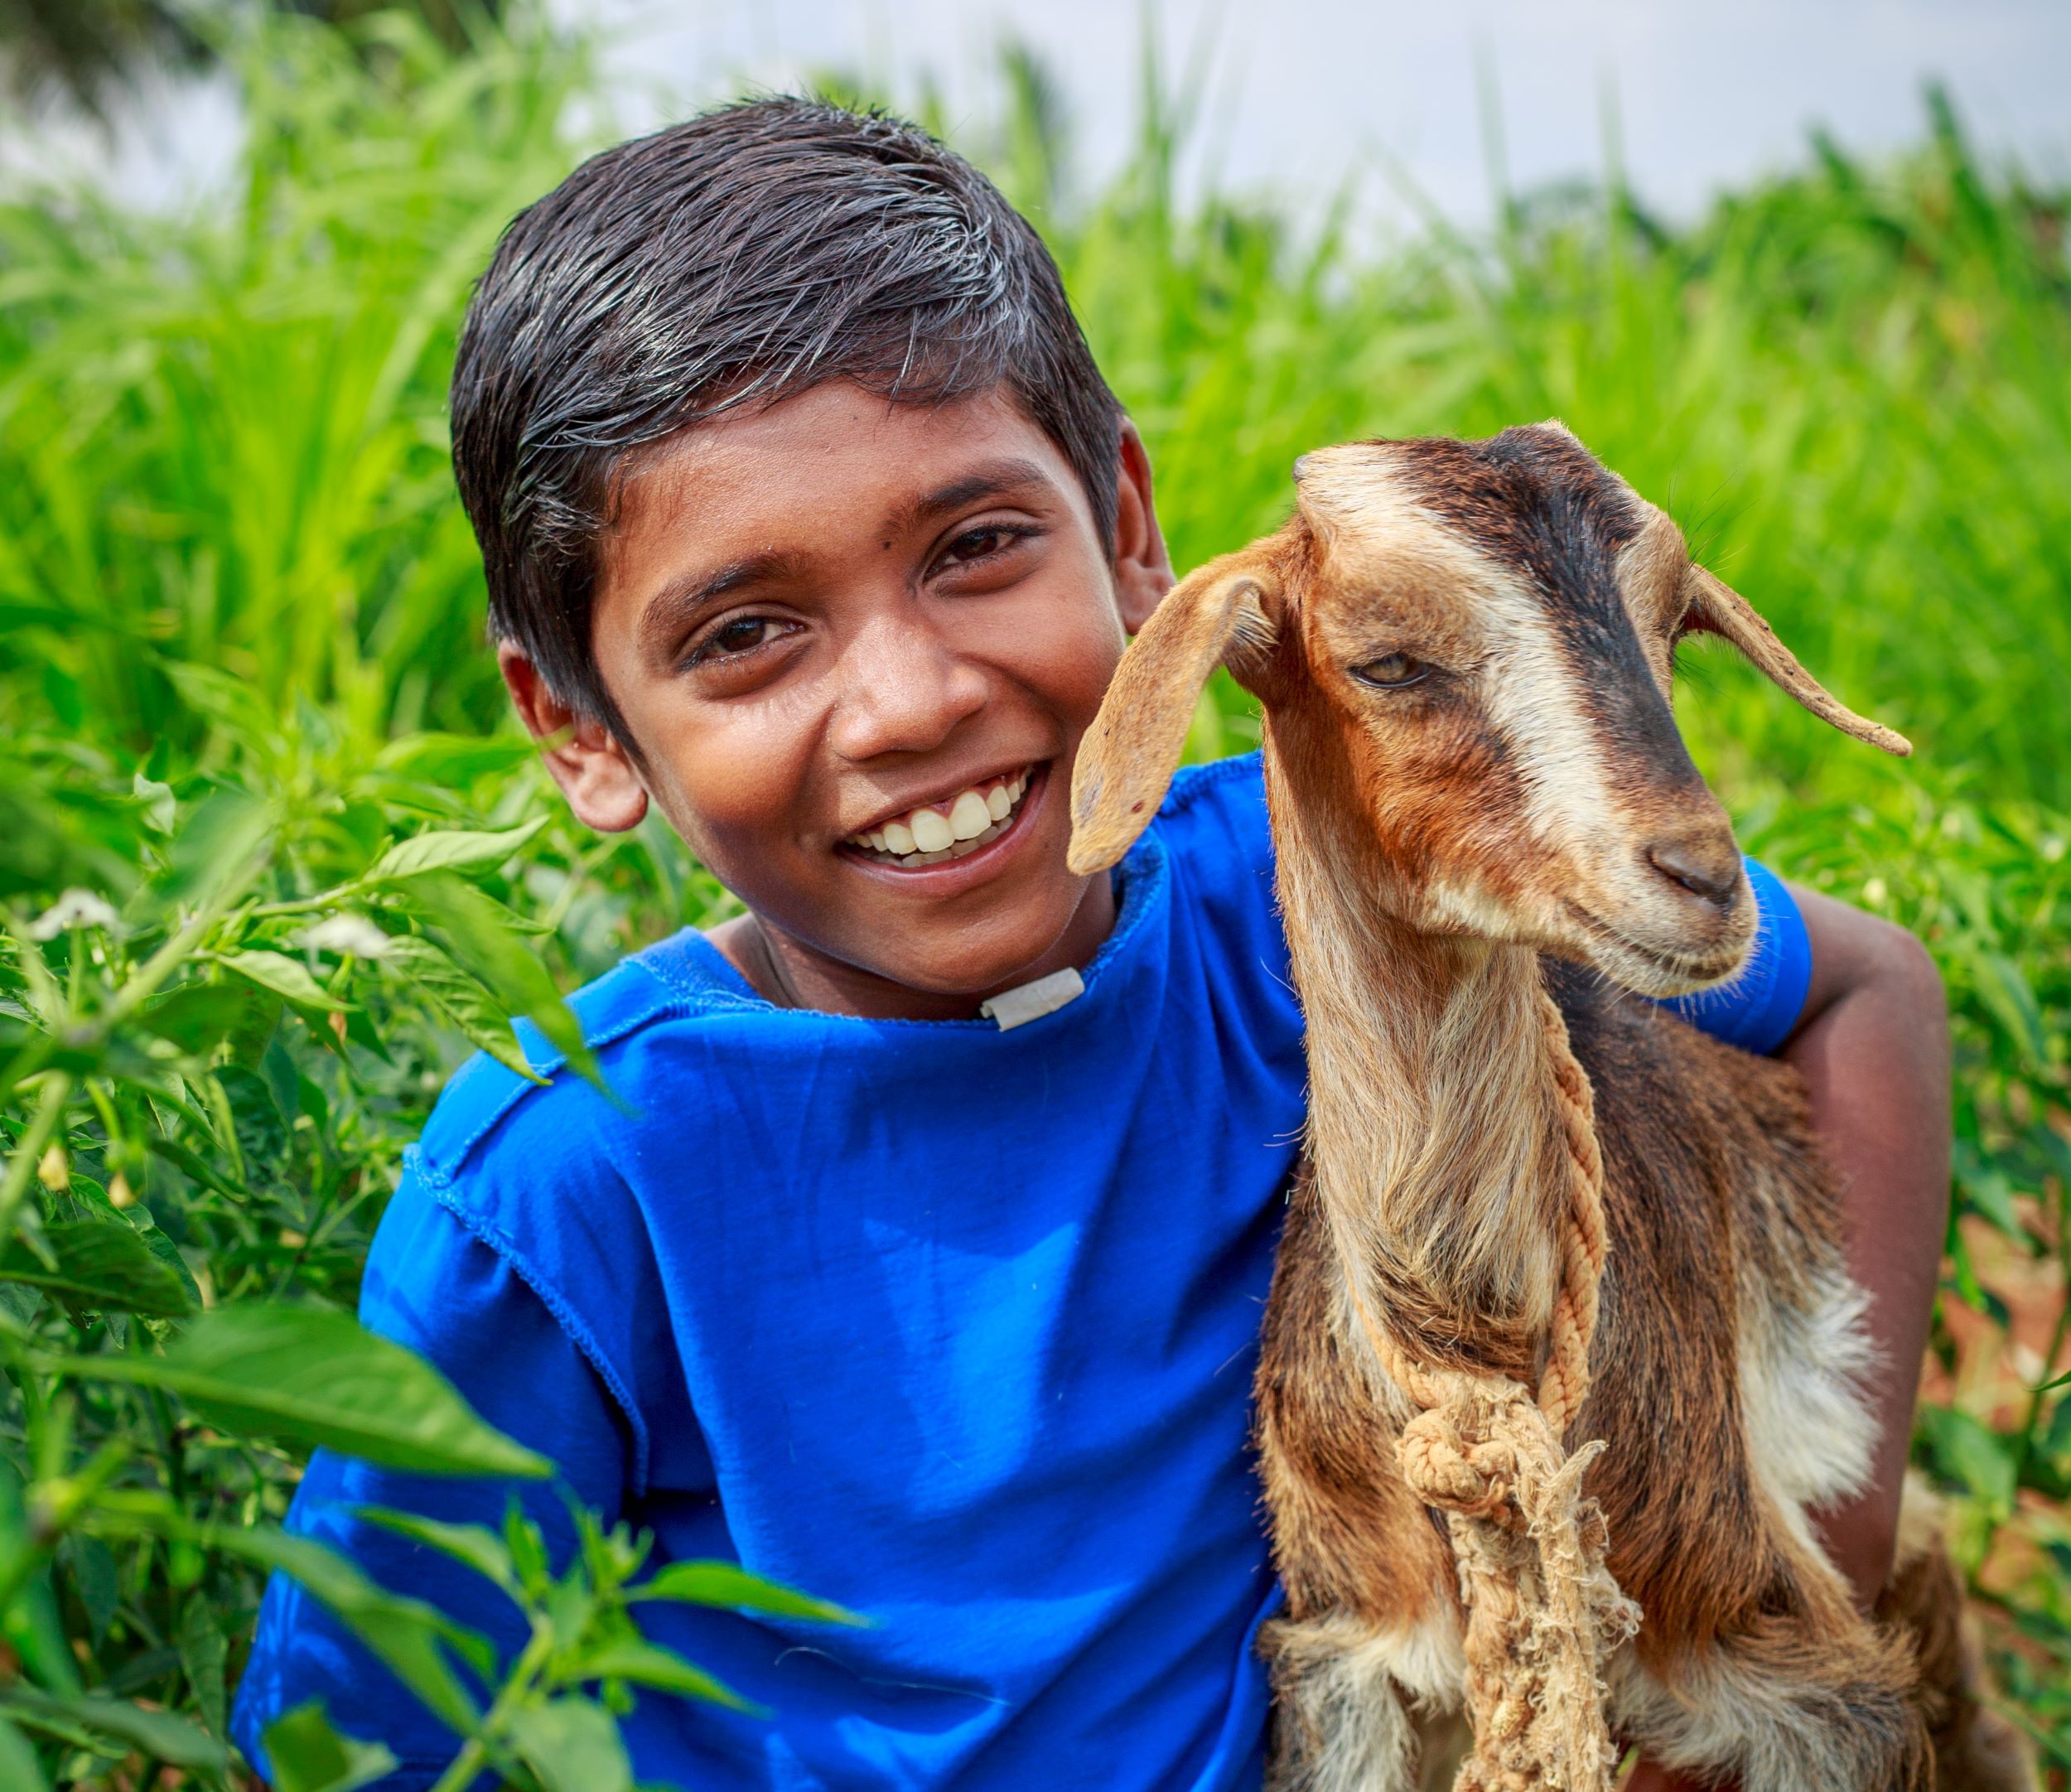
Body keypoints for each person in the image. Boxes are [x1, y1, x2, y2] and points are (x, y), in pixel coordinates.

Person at [229, 98, 1952, 1792]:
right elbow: (350, 1751)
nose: (911, 701)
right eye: (746, 633)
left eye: (974, 546)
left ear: (1128, 527)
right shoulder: (576, 1176)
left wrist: (1813, 1540)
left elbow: (1867, 987)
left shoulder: (1299, 903)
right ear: (582, 725)